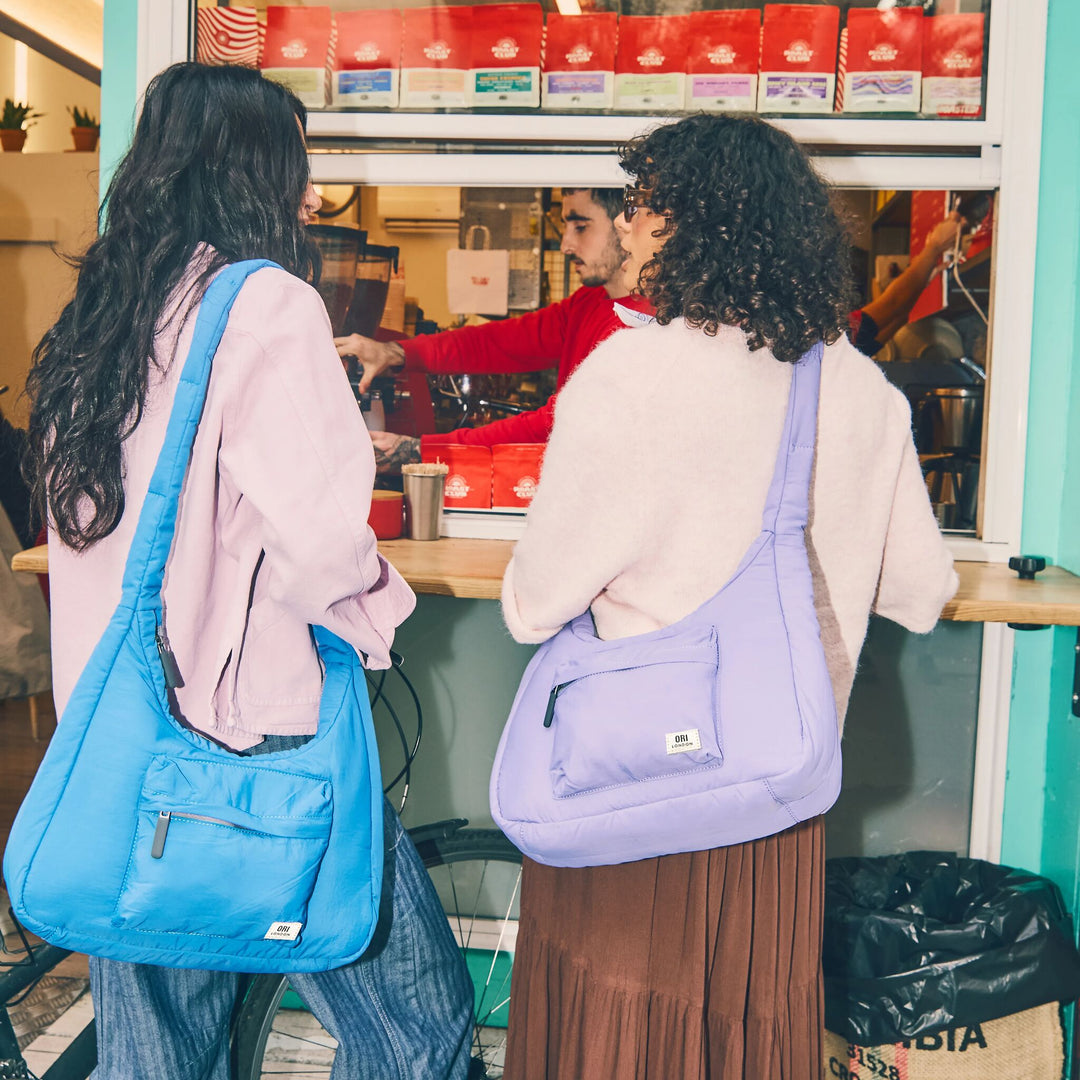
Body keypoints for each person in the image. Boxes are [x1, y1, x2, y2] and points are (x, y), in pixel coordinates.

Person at [22, 63, 473, 1080]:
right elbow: (321, 543)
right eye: (299, 165)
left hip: (129, 748)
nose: (311, 193)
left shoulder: (108, 312)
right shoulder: (267, 304)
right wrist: (377, 611)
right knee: (414, 1029)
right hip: (259, 748)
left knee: (154, 1060)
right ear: (256, 171)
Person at [498, 113, 958, 1079]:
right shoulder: (861, 388)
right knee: (745, 1031)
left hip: (632, 792)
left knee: (617, 1035)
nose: (625, 230)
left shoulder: (630, 373)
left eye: (642, 208)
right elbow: (922, 590)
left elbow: (532, 604)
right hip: (771, 795)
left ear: (695, 224)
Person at [332, 187, 652, 471]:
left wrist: (424, 450)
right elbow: (498, 343)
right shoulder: (590, 301)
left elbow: (557, 422)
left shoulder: (642, 326)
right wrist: (395, 352)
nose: (567, 244)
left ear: (626, 225)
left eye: (581, 227)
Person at [850, 210, 966, 357]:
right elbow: (893, 304)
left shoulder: (838, 346)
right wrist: (935, 246)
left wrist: (920, 280)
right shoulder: (826, 339)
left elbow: (898, 317)